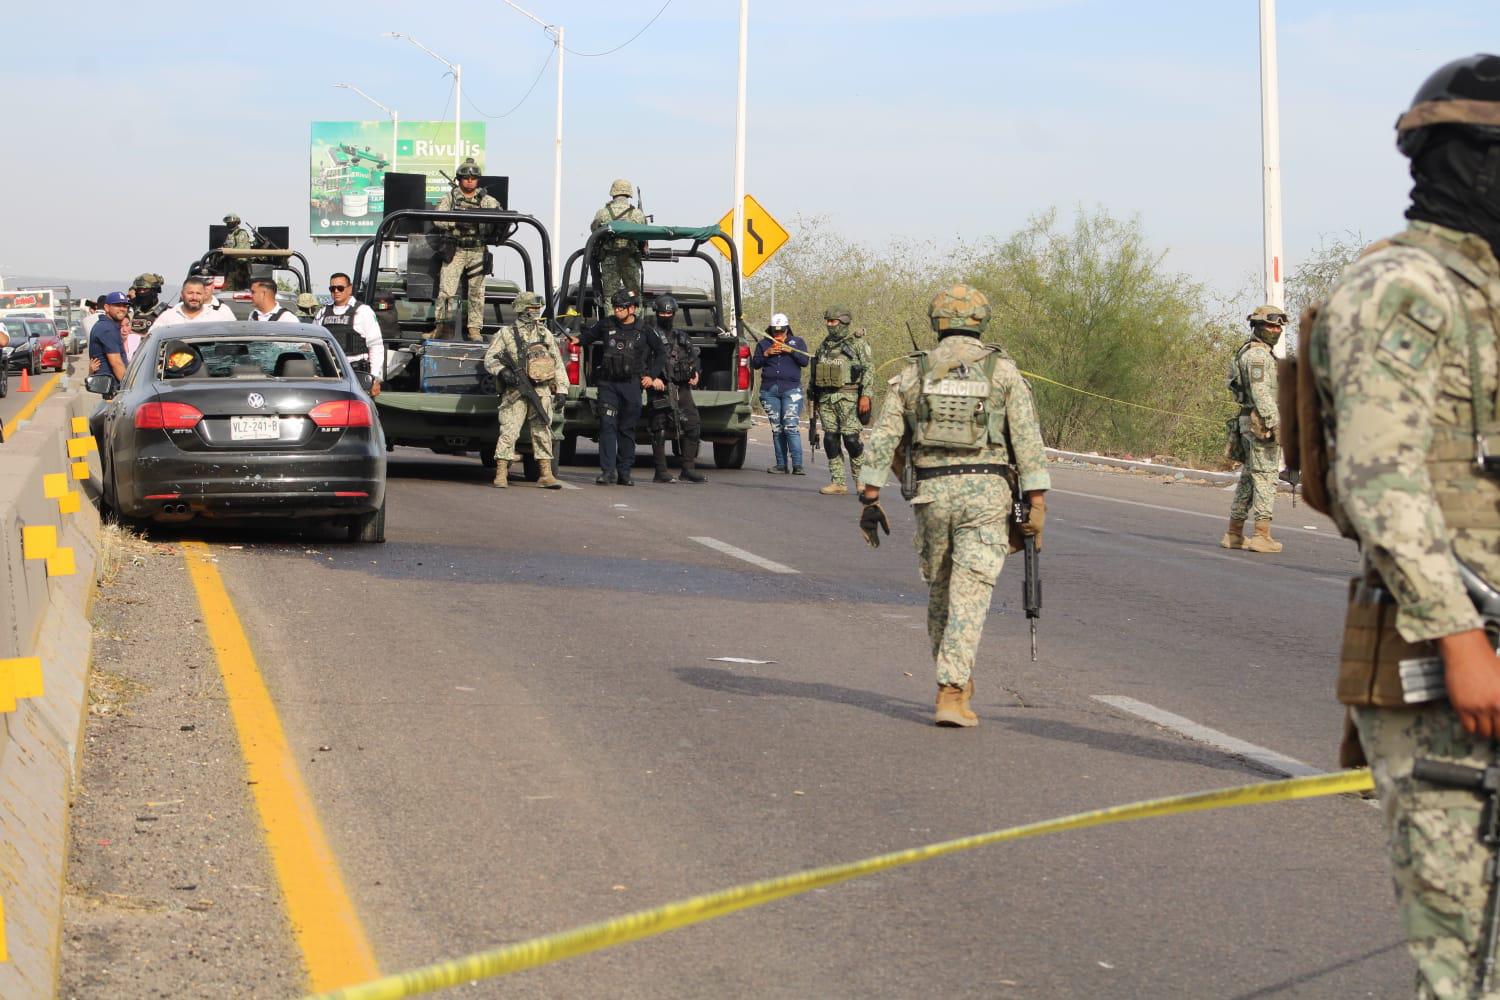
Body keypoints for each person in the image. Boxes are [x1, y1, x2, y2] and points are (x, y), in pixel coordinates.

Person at [1309, 54, 1500, 998]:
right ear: (1470, 158)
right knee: (1468, 964)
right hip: (1445, 668)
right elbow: (1378, 483)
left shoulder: (1488, 294)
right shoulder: (1404, 288)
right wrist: (1462, 639)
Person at [855, 283, 1048, 727]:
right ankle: (952, 688)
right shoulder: (1002, 372)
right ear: (981, 321)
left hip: (931, 495)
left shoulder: (913, 373)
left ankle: (954, 681)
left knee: (941, 593)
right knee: (970, 594)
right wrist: (1036, 500)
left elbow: (884, 439)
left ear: (936, 322)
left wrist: (870, 496)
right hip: (987, 495)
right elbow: (1027, 440)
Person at [571, 288, 663, 485]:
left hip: (632, 385)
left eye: (621, 307)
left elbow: (661, 353)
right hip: (608, 384)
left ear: (632, 309)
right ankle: (607, 472)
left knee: (627, 428)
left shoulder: (645, 329)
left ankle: (624, 472)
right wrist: (577, 340)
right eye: (615, 307)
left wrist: (651, 376)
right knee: (607, 425)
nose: (617, 311)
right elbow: (588, 337)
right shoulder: (606, 324)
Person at [481, 291, 569, 490]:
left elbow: (557, 364)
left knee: (543, 431)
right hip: (515, 392)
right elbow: (490, 358)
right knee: (509, 431)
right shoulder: (506, 333)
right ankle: (501, 473)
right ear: (521, 308)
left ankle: (546, 473)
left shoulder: (544, 333)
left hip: (541, 391)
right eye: (532, 308)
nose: (536, 312)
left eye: (538, 308)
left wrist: (562, 389)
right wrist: (502, 371)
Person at [1220, 304, 1288, 553]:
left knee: (1249, 478)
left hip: (1248, 420)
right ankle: (1261, 535)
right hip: (1260, 423)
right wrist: (1274, 422)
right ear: (1258, 327)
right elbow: (1261, 392)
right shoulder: (1258, 356)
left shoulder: (1250, 352)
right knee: (1266, 477)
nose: (1275, 330)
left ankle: (1234, 533)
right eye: (1270, 325)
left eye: (1278, 326)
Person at [434, 158, 501, 342]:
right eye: (465, 177)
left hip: (477, 249)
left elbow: (500, 217)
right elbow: (437, 218)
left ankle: (474, 329)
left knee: (477, 292)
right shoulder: (450, 198)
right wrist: (456, 221)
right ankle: (441, 327)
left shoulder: (486, 201)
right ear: (459, 179)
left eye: (473, 177)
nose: (470, 181)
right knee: (446, 291)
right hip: (456, 249)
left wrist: (483, 222)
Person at [643, 295, 707, 484]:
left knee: (693, 426)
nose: (666, 316)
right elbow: (640, 360)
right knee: (659, 428)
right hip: (660, 387)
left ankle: (688, 469)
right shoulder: (650, 335)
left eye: (669, 313)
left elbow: (693, 357)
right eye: (662, 312)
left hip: (682, 386)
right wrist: (651, 379)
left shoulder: (681, 336)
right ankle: (660, 471)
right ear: (656, 313)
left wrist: (695, 373)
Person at [811, 304, 874, 495]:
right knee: (831, 440)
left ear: (844, 322)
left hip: (849, 397)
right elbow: (816, 370)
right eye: (828, 321)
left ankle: (862, 481)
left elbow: (869, 369)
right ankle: (838, 482)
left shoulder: (857, 344)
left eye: (834, 321)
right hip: (826, 398)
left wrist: (866, 395)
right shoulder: (824, 345)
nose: (830, 325)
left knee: (852, 440)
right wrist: (812, 394)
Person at [751, 312, 810, 474]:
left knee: (790, 426)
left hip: (791, 390)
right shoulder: (764, 343)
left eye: (781, 331)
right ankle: (781, 464)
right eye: (775, 331)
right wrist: (766, 353)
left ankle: (798, 465)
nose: (778, 334)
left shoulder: (797, 342)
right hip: (769, 391)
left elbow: (805, 361)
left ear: (787, 329)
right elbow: (755, 364)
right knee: (777, 428)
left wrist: (790, 350)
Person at [315, 273, 384, 394]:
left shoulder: (363, 311)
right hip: (329, 373)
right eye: (332, 288)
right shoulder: (323, 312)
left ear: (349, 288)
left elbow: (376, 346)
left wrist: (375, 378)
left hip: (356, 374)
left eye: (340, 288)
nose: (336, 291)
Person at [589, 179, 647, 301]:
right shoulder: (638, 214)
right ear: (629, 193)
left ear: (613, 192)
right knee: (634, 295)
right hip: (630, 259)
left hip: (609, 260)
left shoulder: (602, 213)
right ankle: (635, 318)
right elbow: (644, 237)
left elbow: (594, 231)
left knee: (611, 297)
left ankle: (611, 319)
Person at [150, 275, 231, 333]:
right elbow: (151, 340)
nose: (194, 297)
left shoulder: (218, 319)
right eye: (190, 293)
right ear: (182, 294)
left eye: (198, 293)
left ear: (204, 295)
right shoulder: (167, 318)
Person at [88, 291, 129, 383]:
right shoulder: (107, 329)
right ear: (106, 307)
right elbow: (116, 363)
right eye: (117, 305)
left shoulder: (107, 325)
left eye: (124, 306)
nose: (122, 309)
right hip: (113, 389)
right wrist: (130, 387)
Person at [125, 273, 168, 350]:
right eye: (139, 290)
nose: (141, 293)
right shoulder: (129, 312)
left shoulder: (166, 313)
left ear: (154, 291)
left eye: (145, 290)